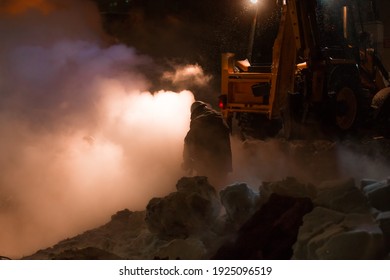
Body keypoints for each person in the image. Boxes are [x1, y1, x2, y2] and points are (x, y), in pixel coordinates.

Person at [182, 101, 232, 187]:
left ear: (194, 112)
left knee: (206, 189)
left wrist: (187, 161)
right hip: (223, 164)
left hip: (207, 165)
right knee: (221, 188)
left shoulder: (199, 121)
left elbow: (188, 142)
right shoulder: (220, 119)